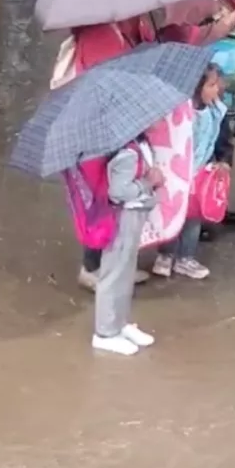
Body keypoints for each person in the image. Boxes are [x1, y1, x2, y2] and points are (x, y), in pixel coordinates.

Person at [71, 16, 156, 291]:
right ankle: (93, 266)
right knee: (101, 199)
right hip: (100, 132)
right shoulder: (99, 36)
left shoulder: (125, 28)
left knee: (115, 203)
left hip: (115, 126)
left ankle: (115, 264)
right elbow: (107, 84)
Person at [152, 65, 228, 279]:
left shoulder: (216, 111)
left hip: (200, 174)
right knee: (172, 214)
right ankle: (165, 255)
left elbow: (223, 139)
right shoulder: (181, 113)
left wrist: (223, 160)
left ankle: (185, 257)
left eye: (217, 85)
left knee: (193, 218)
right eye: (211, 85)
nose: (217, 90)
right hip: (176, 174)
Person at [92, 134, 164, 356]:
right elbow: (118, 192)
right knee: (115, 272)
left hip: (133, 215)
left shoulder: (139, 146)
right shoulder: (127, 153)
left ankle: (119, 322)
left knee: (125, 270)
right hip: (123, 217)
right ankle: (105, 332)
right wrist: (147, 183)